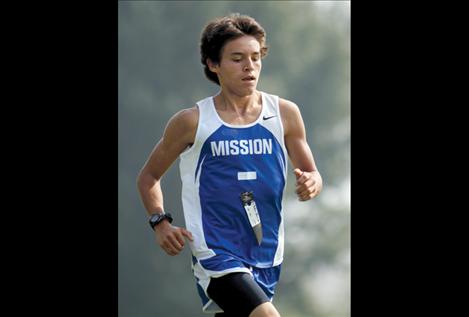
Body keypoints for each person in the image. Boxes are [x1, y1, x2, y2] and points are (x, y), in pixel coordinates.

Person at [137, 13, 323, 317]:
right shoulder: (192, 121)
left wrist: (311, 182)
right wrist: (160, 222)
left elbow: (312, 172)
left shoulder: (286, 114)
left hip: (267, 251)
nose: (249, 66)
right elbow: (148, 177)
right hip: (216, 253)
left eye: (255, 57)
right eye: (237, 58)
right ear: (213, 64)